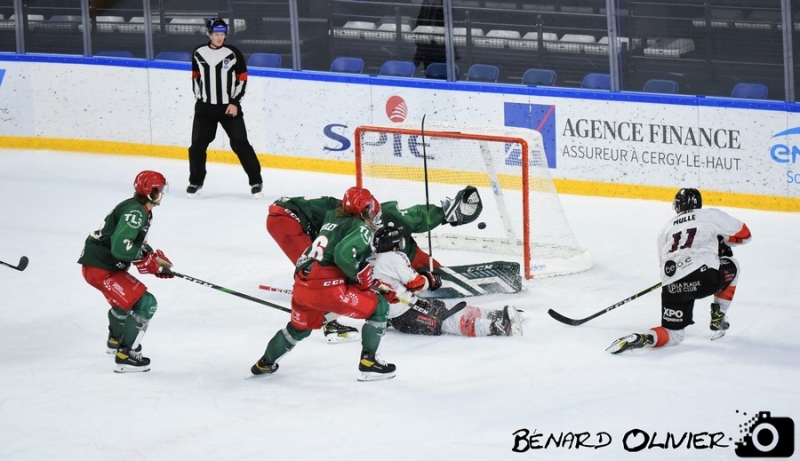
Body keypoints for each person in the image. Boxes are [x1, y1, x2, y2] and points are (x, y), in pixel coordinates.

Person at [264, 186, 483, 341]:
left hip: (291, 214)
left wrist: (447, 213)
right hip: (287, 218)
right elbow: (344, 261)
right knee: (323, 273)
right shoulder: (353, 226)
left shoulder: (382, 218)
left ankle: (319, 303)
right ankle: (327, 320)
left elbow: (418, 215)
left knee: (331, 271)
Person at [251, 187, 396, 381]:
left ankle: (265, 363)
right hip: (328, 289)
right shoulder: (361, 228)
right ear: (364, 210)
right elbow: (343, 255)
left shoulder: (331, 218)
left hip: (302, 286)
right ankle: (369, 363)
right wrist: (362, 278)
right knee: (380, 307)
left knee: (297, 329)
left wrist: (367, 280)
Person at [606, 188, 752, 354]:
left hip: (672, 286)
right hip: (704, 278)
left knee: (673, 334)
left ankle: (643, 338)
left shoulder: (666, 229)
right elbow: (745, 235)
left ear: (678, 205)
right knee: (733, 264)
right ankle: (719, 316)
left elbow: (662, 265)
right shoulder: (711, 215)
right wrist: (723, 240)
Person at [78, 171, 174, 373]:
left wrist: (154, 260)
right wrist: (147, 260)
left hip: (101, 265)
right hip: (101, 268)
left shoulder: (140, 209)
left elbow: (134, 244)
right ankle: (125, 355)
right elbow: (121, 248)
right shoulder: (136, 212)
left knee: (124, 304)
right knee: (146, 304)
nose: (162, 193)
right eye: (159, 190)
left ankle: (115, 340)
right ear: (149, 191)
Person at [370, 226, 523, 337]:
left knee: (446, 308)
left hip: (402, 310)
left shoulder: (376, 261)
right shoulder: (391, 258)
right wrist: (429, 279)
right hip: (404, 313)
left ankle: (495, 315)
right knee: (446, 320)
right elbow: (416, 285)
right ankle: (497, 326)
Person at [187, 18, 264, 199]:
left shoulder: (233, 53)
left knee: (240, 144)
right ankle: (195, 181)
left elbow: (242, 79)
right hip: (205, 108)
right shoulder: (198, 52)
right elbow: (196, 76)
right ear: (209, 34)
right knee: (197, 146)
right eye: (216, 34)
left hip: (229, 107)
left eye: (222, 34)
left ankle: (256, 181)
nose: (219, 37)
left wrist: (235, 102)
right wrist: (199, 98)